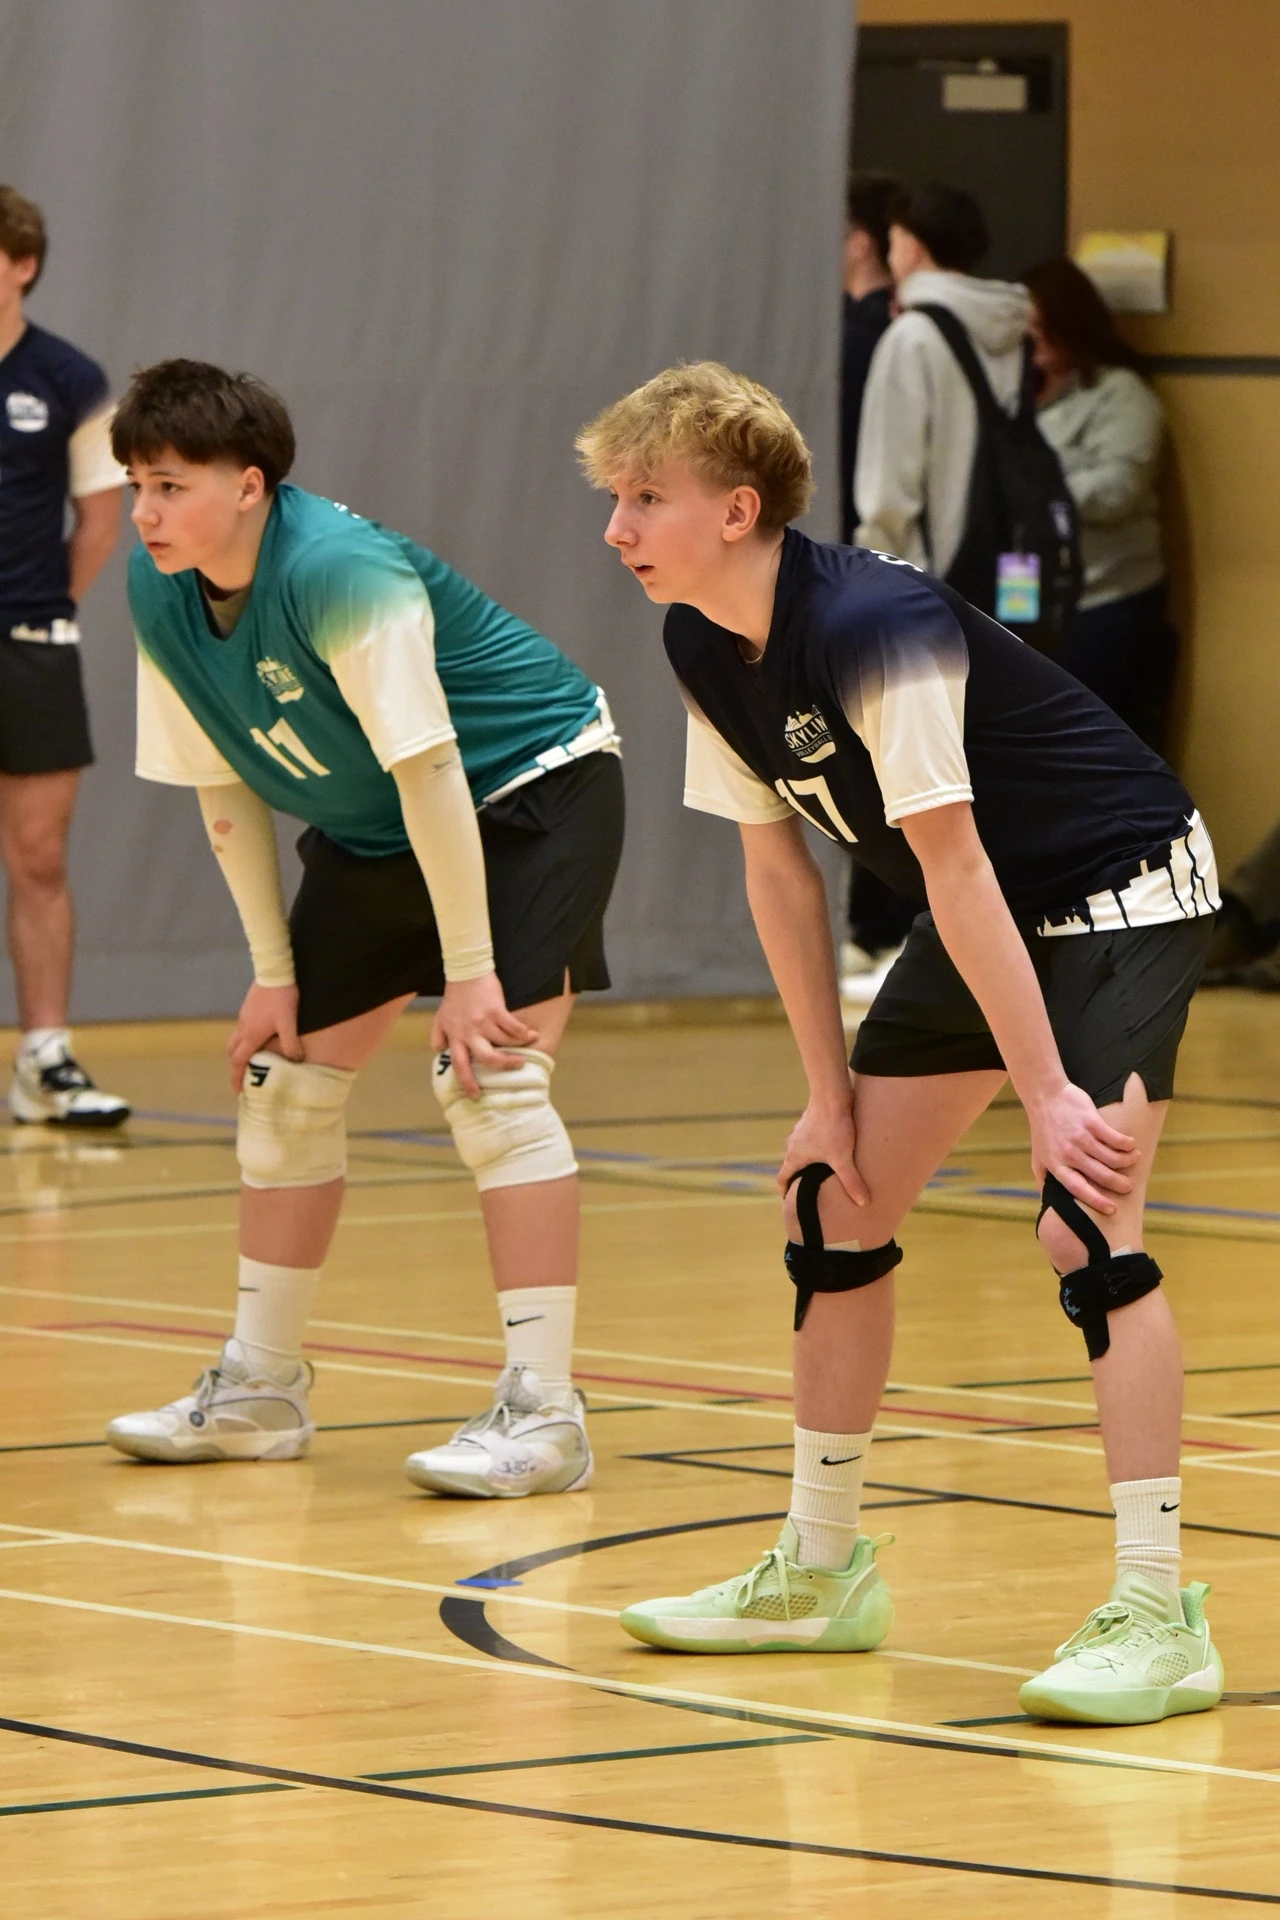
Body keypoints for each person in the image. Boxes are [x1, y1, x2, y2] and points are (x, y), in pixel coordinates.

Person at [578, 361, 1224, 1727]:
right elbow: (780, 876)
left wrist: (1047, 1096)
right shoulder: (701, 637)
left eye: (647, 499)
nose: (618, 529)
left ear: (739, 507)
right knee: (836, 1193)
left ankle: (1162, 1616)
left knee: (1087, 1221)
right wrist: (825, 1097)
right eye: (616, 500)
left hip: (1117, 879)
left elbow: (956, 866)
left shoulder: (878, 625)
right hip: (991, 898)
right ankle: (819, 1574)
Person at [105, 360, 624, 1500]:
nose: (145, 512)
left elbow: (434, 766)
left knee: (493, 1080)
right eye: (136, 484)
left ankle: (545, 1415)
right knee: (281, 1085)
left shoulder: (340, 571)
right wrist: (271, 973)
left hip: (530, 790)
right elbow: (223, 782)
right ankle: (259, 1390)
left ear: (249, 485)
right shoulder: (158, 588)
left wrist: (471, 974)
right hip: (388, 820)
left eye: (171, 485)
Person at [0, 184, 130, 1127]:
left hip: (31, 644)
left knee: (39, 856)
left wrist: (43, 608)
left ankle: (45, 1059)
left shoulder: (71, 379)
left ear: (22, 264)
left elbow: (99, 518)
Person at [1024, 257, 1177, 751]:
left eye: (1039, 329)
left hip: (1105, 601)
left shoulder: (1119, 394)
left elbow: (1116, 491)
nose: (1029, 342)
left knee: (1095, 748)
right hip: (1026, 597)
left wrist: (1034, 493)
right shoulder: (1011, 399)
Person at [854, 183, 1032, 582]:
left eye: (895, 242)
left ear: (913, 248)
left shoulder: (912, 337)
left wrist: (875, 578)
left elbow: (890, 487)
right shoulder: (1013, 332)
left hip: (935, 582)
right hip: (1013, 567)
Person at [837, 170, 917, 1003]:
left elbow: (888, 482)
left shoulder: (887, 337)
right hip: (874, 566)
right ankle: (876, 930)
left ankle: (887, 929)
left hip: (884, 571)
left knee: (891, 753)